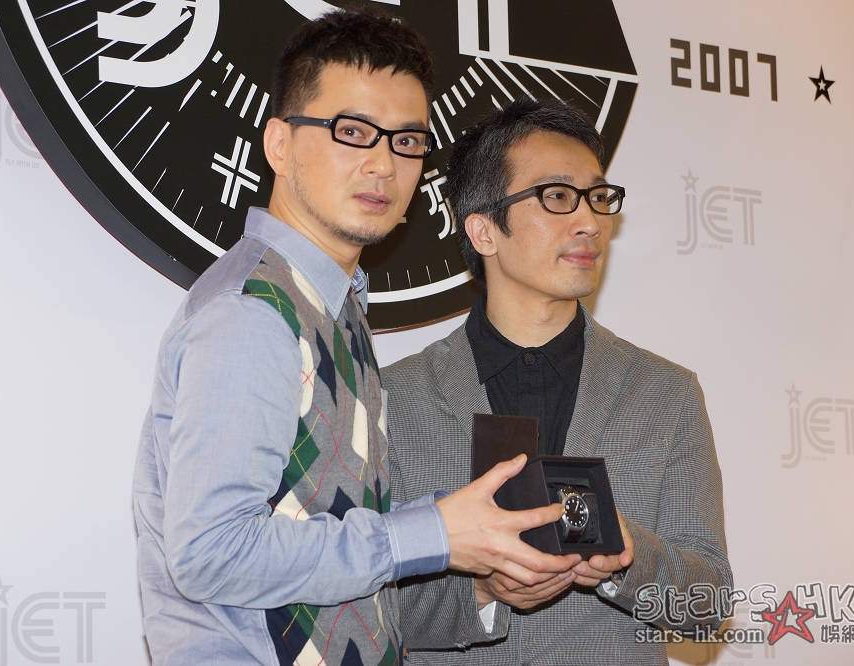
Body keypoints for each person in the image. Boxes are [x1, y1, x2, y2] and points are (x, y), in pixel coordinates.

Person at [132, 11, 571, 665]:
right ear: (280, 144)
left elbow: (328, 538)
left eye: (407, 141)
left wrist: (460, 531)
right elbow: (211, 554)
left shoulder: (334, 307)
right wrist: (430, 532)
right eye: (353, 132)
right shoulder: (253, 313)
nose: (383, 164)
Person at [384, 99, 733, 665]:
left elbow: (709, 606)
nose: (590, 221)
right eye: (557, 196)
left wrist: (628, 559)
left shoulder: (666, 393)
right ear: (483, 230)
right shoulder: (397, 397)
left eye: (597, 197)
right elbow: (369, 608)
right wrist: (482, 591)